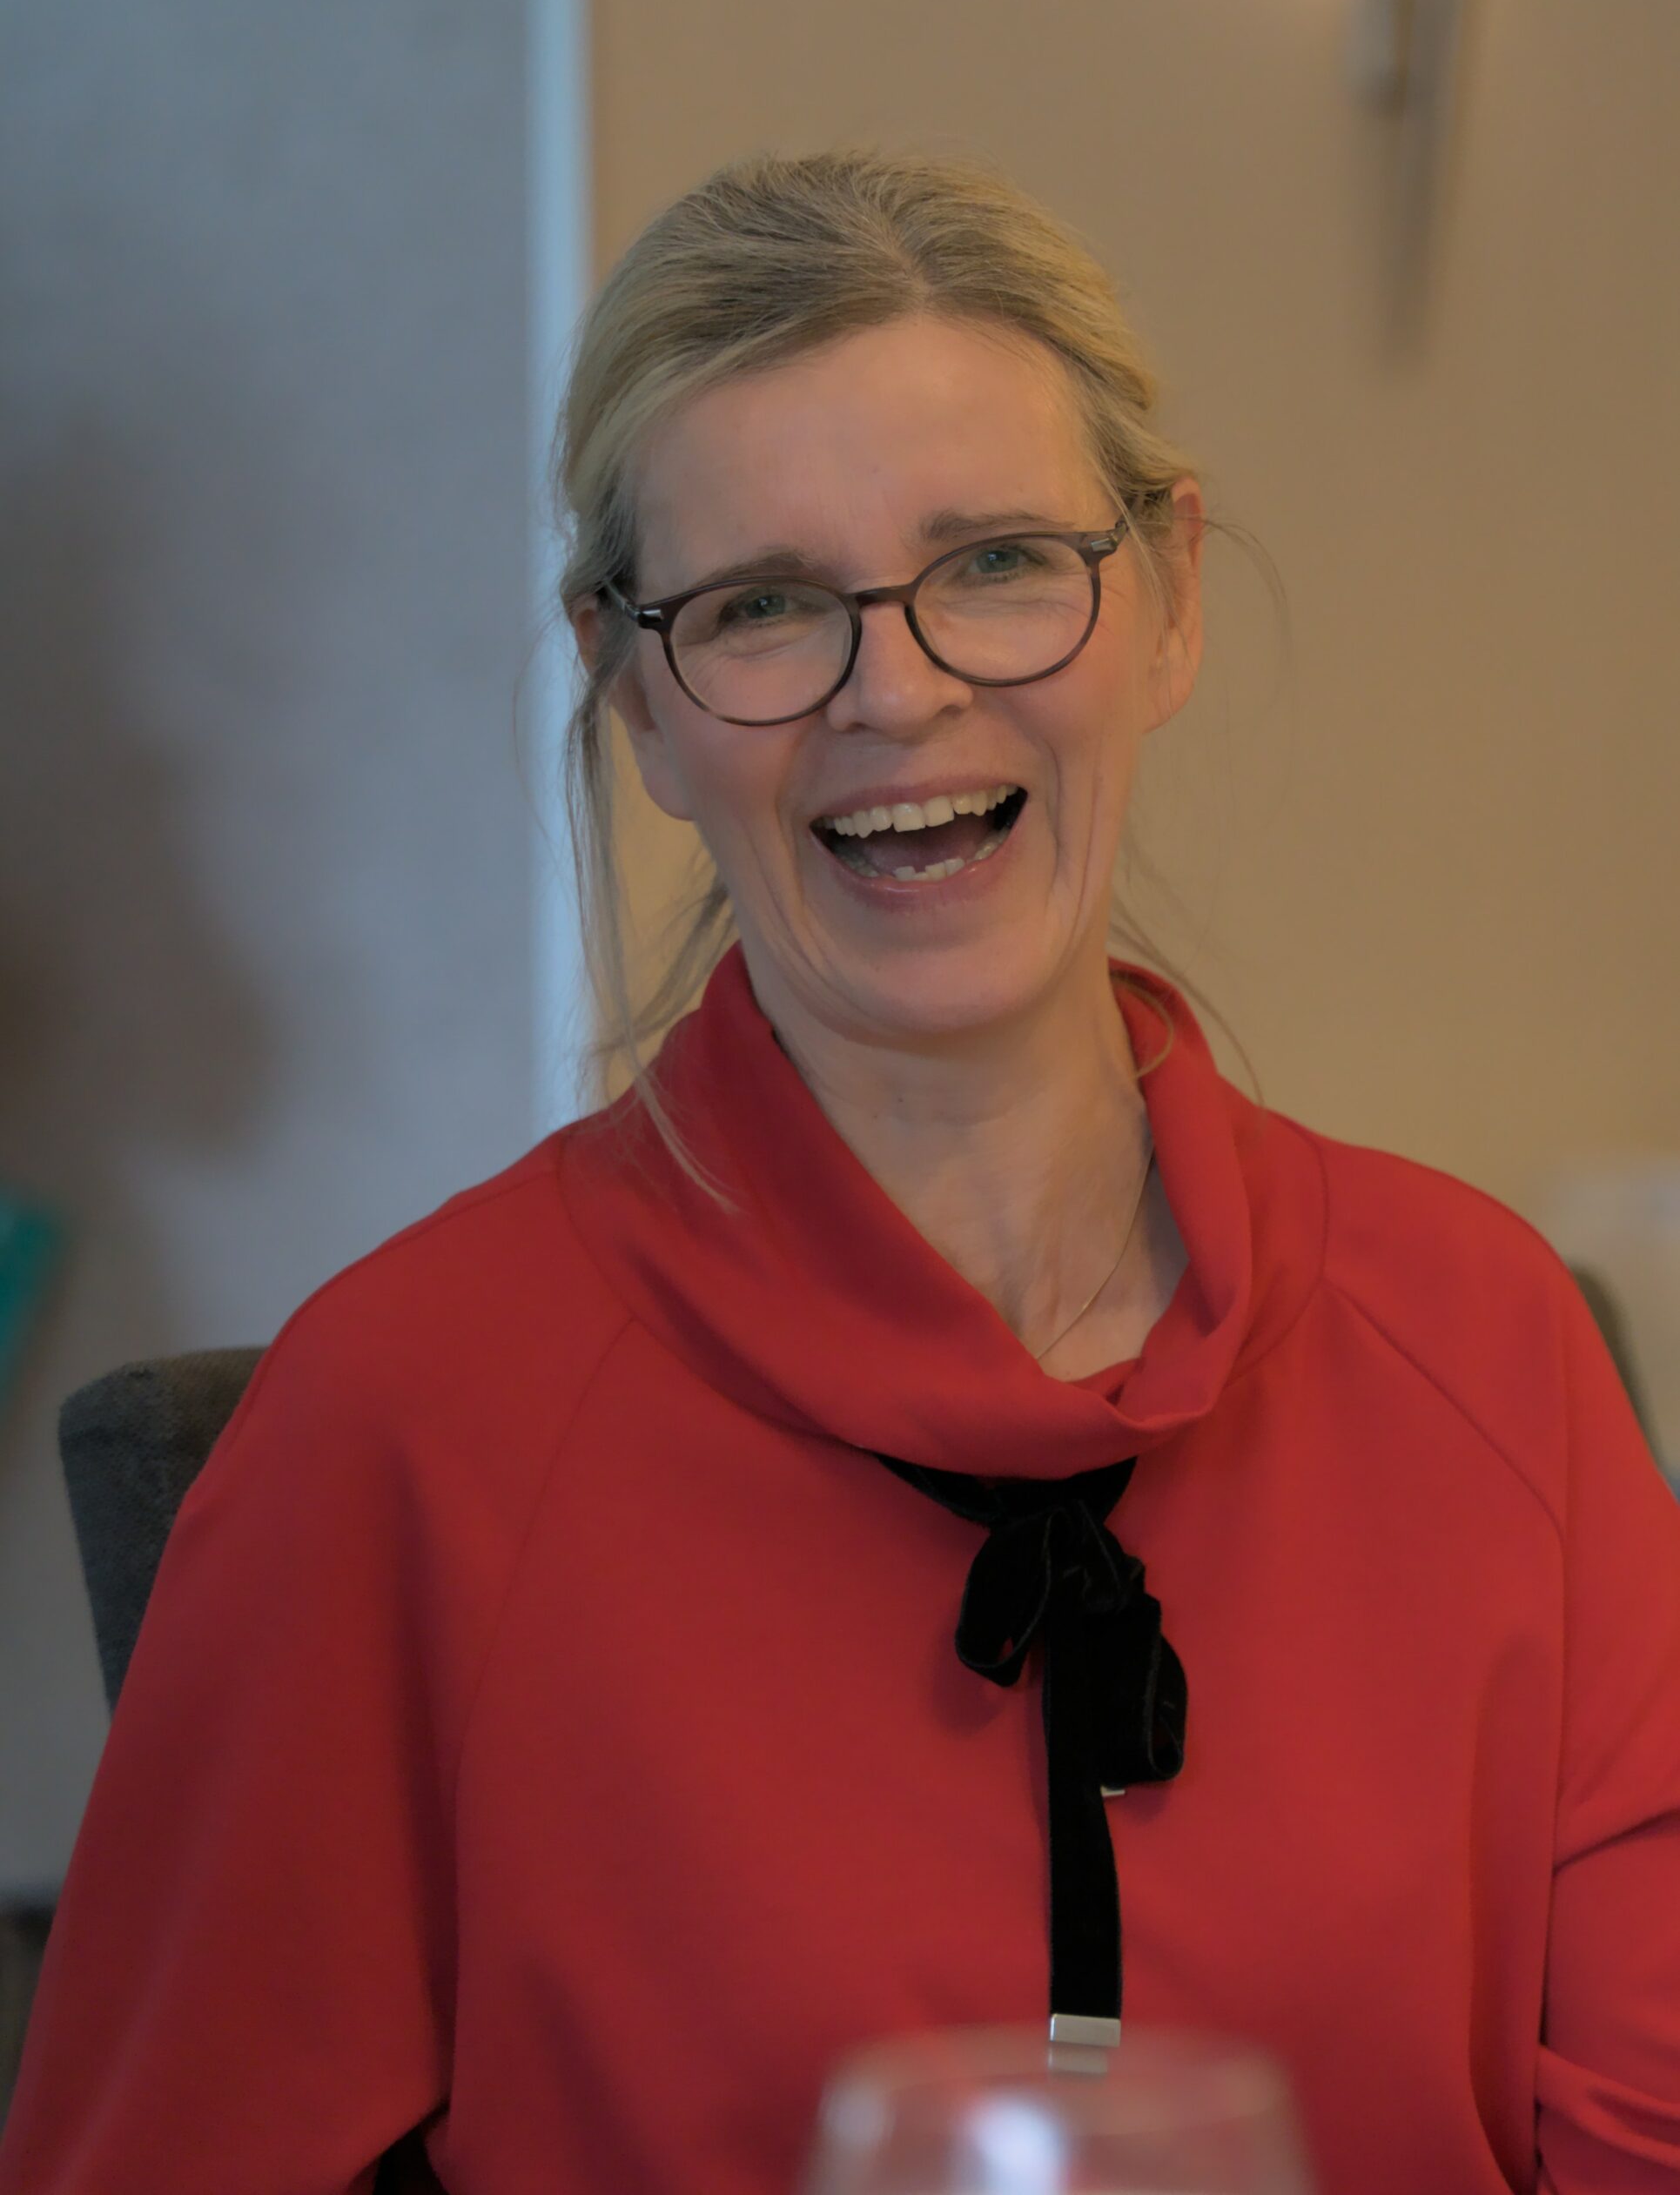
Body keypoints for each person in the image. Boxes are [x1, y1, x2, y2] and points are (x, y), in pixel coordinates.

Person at [3, 146, 1677, 2195]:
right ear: (633, 692)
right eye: (763, 607)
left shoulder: (1489, 1341)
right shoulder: (395, 1433)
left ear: (1165, 597)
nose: (898, 689)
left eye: (997, 561)